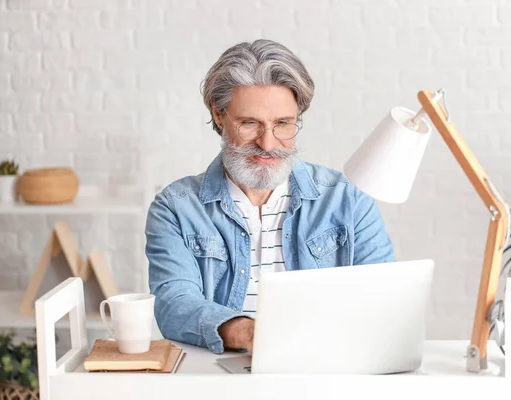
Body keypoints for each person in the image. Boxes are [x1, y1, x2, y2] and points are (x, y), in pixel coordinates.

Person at [145, 39, 395, 355]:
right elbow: (174, 304)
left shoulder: (349, 201)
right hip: (221, 375)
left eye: (282, 124)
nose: (267, 143)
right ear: (219, 115)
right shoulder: (176, 207)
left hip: (328, 366)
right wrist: (250, 333)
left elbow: (386, 298)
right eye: (249, 123)